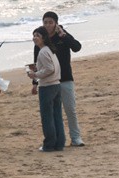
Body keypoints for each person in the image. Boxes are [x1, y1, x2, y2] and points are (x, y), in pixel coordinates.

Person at [32, 11, 85, 146]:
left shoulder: (62, 35)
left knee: (70, 109)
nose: (48, 25)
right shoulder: (40, 40)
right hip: (49, 82)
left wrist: (64, 35)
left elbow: (77, 47)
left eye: (50, 22)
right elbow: (36, 65)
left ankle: (76, 138)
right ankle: (56, 140)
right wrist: (34, 83)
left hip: (65, 79)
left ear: (56, 23)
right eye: (45, 22)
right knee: (53, 113)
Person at [27, 27, 64, 151]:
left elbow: (50, 69)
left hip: (48, 87)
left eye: (37, 35)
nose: (34, 38)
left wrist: (35, 75)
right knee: (56, 115)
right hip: (56, 85)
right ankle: (59, 143)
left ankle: (49, 145)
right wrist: (37, 68)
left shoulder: (43, 51)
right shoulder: (49, 49)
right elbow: (50, 67)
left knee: (47, 117)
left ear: (43, 37)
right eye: (33, 35)